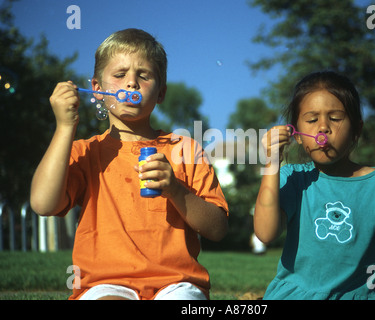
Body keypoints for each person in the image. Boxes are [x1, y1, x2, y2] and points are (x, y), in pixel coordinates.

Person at [30, 28, 229, 300]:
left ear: (160, 93)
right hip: (104, 284)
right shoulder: (86, 152)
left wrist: (175, 190)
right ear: (97, 90)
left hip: (177, 284)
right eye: (120, 75)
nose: (132, 83)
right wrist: (65, 127)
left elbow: (217, 229)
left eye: (144, 75)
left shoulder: (186, 150)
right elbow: (43, 203)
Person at [254, 71, 375, 300]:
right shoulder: (292, 178)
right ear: (297, 134)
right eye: (312, 120)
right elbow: (265, 233)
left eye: (335, 118)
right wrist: (272, 162)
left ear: (357, 130)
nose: (323, 128)